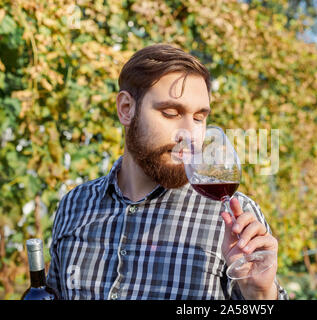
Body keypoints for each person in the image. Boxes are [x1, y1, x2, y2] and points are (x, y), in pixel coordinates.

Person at [47, 44, 288, 300]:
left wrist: (259, 294)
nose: (189, 133)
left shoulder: (234, 219)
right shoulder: (75, 205)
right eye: (171, 113)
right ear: (126, 109)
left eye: (199, 118)